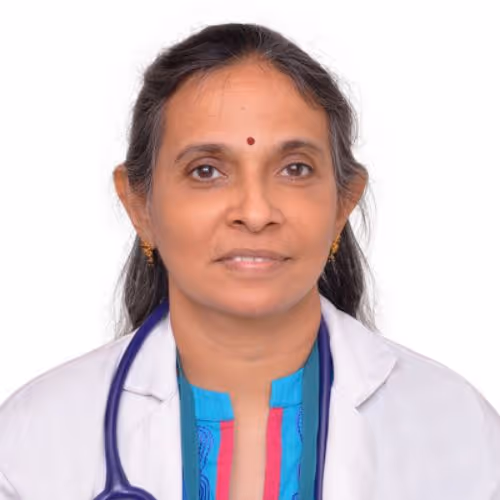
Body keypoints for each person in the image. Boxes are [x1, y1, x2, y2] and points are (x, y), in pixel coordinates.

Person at [0, 22, 499, 500]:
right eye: (206, 171)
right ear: (140, 208)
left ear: (343, 204)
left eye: (295, 168)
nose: (256, 213)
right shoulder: (31, 441)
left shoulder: (458, 428)